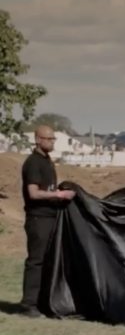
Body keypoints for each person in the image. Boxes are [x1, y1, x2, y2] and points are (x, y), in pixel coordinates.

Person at [20, 125, 75, 317]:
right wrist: (58, 194)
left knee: (49, 261)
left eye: (53, 139)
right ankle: (28, 305)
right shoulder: (33, 162)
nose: (52, 142)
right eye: (49, 139)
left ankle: (43, 302)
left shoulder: (47, 161)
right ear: (38, 139)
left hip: (50, 217)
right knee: (36, 261)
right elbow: (33, 193)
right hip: (38, 218)